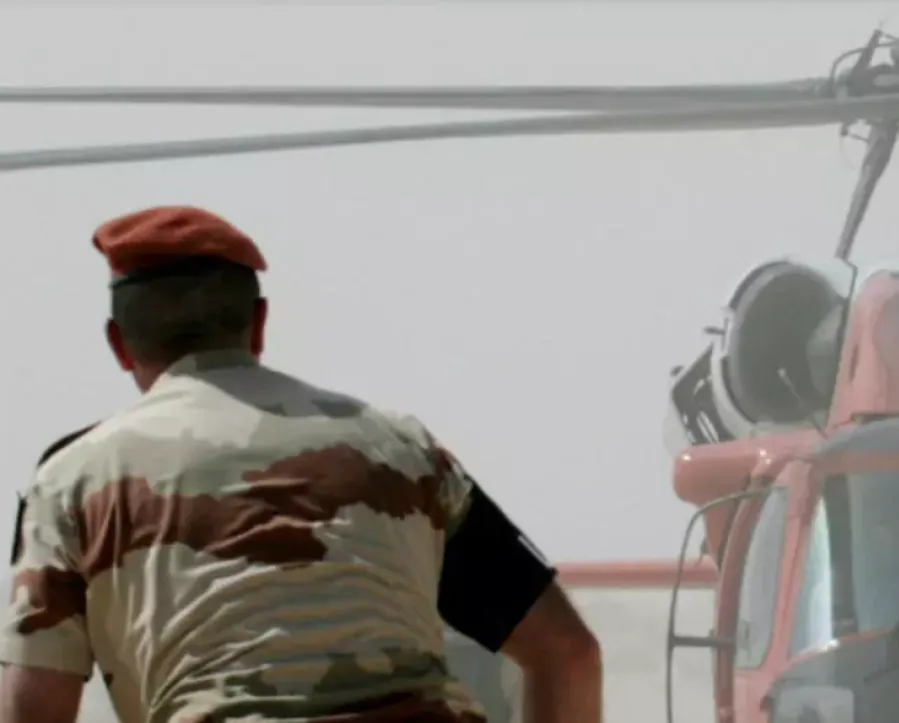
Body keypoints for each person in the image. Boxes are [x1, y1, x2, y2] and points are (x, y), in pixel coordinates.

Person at [0, 206, 602, 723]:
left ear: (117, 343)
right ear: (259, 326)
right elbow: (568, 653)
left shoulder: (74, 483)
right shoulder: (398, 450)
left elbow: (34, 709)